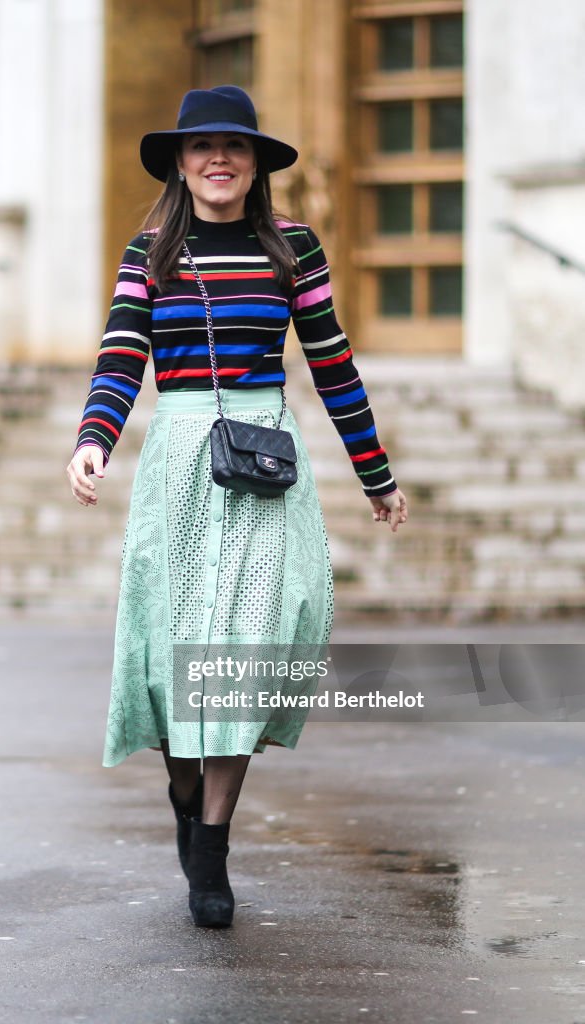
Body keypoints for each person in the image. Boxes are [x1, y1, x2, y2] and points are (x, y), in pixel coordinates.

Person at [66, 85, 408, 929]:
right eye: (200, 147)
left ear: (255, 164)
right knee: (173, 654)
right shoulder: (149, 252)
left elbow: (333, 368)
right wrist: (93, 439)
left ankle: (211, 849)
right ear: (180, 164)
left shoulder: (293, 247)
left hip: (263, 462)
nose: (218, 160)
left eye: (236, 147)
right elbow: (120, 359)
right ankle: (184, 793)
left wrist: (376, 476)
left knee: (249, 649)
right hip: (180, 461)